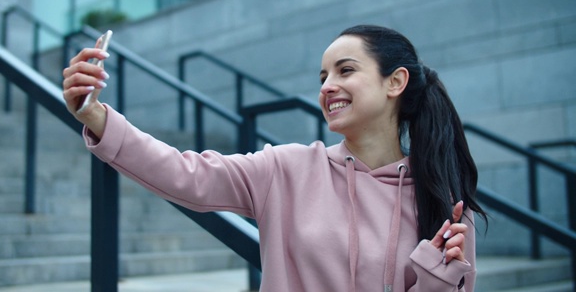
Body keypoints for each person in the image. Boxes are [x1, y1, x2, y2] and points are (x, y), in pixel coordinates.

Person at [62, 24, 487, 291]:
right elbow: (182, 172)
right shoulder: (285, 169)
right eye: (322, 77)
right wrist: (96, 115)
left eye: (345, 70)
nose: (327, 87)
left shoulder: (443, 199)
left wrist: (435, 279)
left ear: (395, 81)